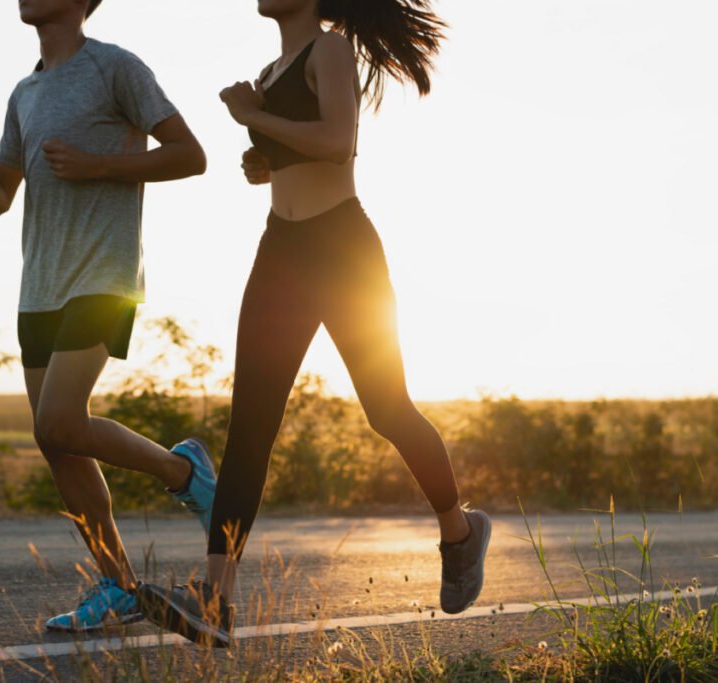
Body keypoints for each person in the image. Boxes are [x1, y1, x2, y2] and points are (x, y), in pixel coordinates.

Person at [137, 0, 491, 648]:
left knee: (387, 408)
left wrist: (252, 117)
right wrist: (262, 161)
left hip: (342, 249)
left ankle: (459, 530)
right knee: (249, 429)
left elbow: (338, 142)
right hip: (281, 250)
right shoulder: (269, 72)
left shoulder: (329, 50)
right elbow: (291, 157)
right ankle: (215, 599)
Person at [0, 0, 215, 632]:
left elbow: (190, 155)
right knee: (53, 437)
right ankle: (119, 587)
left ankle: (184, 472)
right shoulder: (24, 92)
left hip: (104, 277)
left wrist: (100, 166)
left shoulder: (115, 68)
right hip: (39, 285)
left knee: (61, 419)